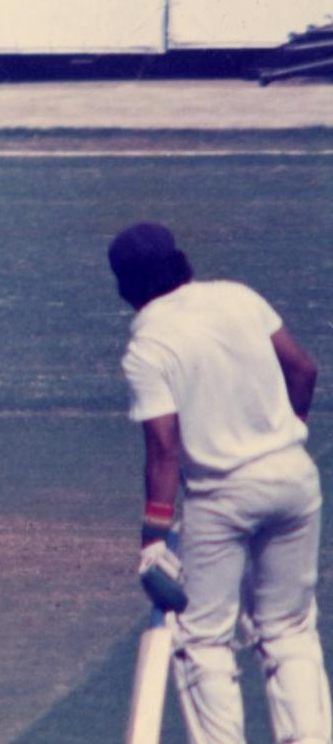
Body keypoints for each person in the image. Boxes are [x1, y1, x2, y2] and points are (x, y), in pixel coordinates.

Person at [109, 222, 331, 743]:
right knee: (289, 630)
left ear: (125, 286)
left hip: (220, 496)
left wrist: (152, 540)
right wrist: (292, 428)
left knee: (202, 639)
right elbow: (303, 368)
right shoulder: (239, 297)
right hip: (295, 479)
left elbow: (164, 449)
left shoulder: (147, 344)